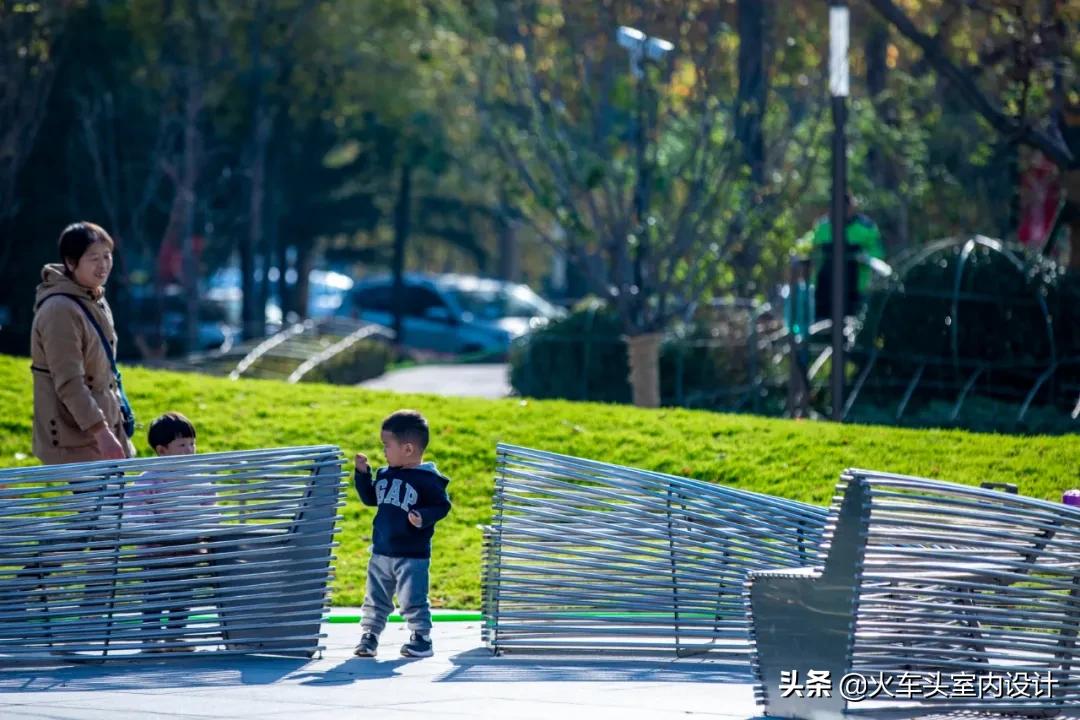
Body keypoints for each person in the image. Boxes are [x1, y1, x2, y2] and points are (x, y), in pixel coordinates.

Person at [31, 221, 134, 464]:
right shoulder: (60, 310)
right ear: (70, 262)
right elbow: (69, 383)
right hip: (77, 442)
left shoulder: (94, 297)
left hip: (105, 434)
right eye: (93, 258)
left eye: (107, 256)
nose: (103, 265)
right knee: (98, 503)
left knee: (117, 502)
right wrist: (102, 433)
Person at [353, 410, 451, 658]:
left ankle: (421, 638)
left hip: (412, 555)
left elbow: (442, 506)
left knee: (412, 599)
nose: (384, 451)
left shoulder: (428, 479)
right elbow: (370, 498)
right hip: (381, 551)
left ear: (408, 449)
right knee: (375, 598)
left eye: (387, 445)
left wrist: (423, 516)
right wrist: (363, 475)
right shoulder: (385, 474)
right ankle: (370, 636)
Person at [128, 412, 207, 651]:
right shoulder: (150, 479)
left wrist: (204, 534)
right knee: (155, 594)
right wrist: (156, 535)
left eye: (192, 443)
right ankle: (151, 637)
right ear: (162, 451)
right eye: (182, 445)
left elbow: (208, 506)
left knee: (183, 595)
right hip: (157, 550)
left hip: (188, 547)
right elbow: (137, 508)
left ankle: (175, 635)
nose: (190, 450)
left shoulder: (198, 477)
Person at [798, 193, 886, 320]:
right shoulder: (823, 226)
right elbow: (807, 244)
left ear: (851, 207)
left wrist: (863, 256)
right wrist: (802, 251)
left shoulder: (866, 227)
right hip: (824, 291)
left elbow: (878, 253)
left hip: (856, 290)